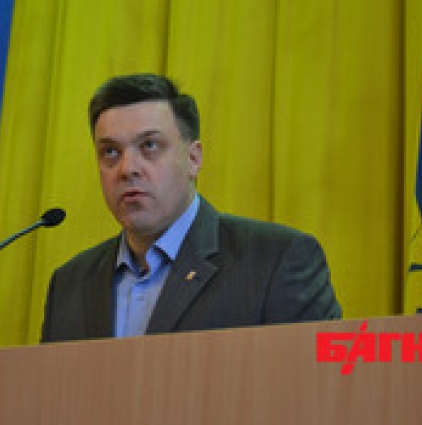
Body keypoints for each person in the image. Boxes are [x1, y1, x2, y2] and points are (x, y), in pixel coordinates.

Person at [41, 74, 341, 343]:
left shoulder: (276, 259)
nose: (127, 168)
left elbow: (321, 377)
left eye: (149, 146)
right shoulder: (69, 284)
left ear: (193, 159)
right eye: (110, 152)